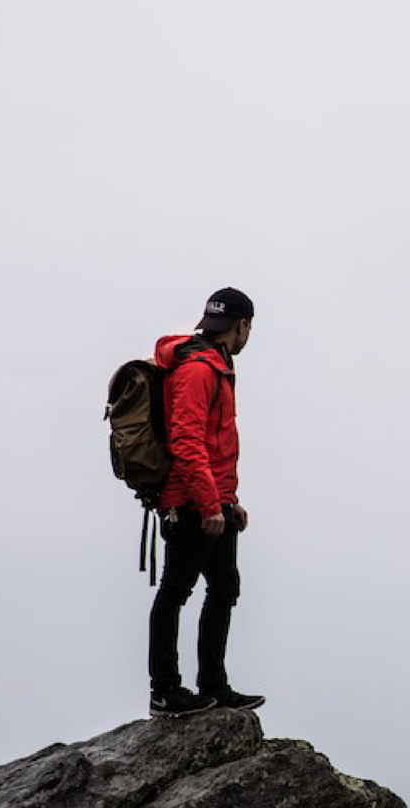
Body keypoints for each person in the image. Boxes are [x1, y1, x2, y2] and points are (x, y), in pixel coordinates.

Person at [146, 287, 265, 717]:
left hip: (213, 499)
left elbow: (214, 444)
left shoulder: (216, 365)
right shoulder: (198, 369)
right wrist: (210, 504)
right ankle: (165, 691)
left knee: (224, 588)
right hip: (190, 501)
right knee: (176, 591)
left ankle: (213, 686)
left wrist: (229, 501)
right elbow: (186, 441)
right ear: (243, 325)